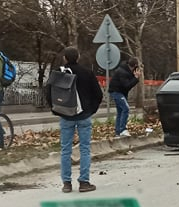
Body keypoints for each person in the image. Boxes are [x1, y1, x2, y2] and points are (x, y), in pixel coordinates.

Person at [50, 47, 104, 193]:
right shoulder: (87, 73)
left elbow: (48, 92)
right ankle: (84, 182)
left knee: (65, 150)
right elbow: (98, 95)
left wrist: (56, 109)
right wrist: (91, 110)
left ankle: (66, 183)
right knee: (85, 149)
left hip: (65, 116)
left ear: (65, 58)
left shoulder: (58, 73)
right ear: (78, 57)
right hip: (84, 115)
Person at [108, 56, 141, 138]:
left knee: (120, 111)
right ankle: (122, 129)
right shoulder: (123, 72)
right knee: (126, 108)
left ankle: (118, 132)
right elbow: (127, 85)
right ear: (135, 65)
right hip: (117, 92)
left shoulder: (126, 71)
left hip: (120, 92)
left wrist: (134, 77)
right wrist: (136, 78)